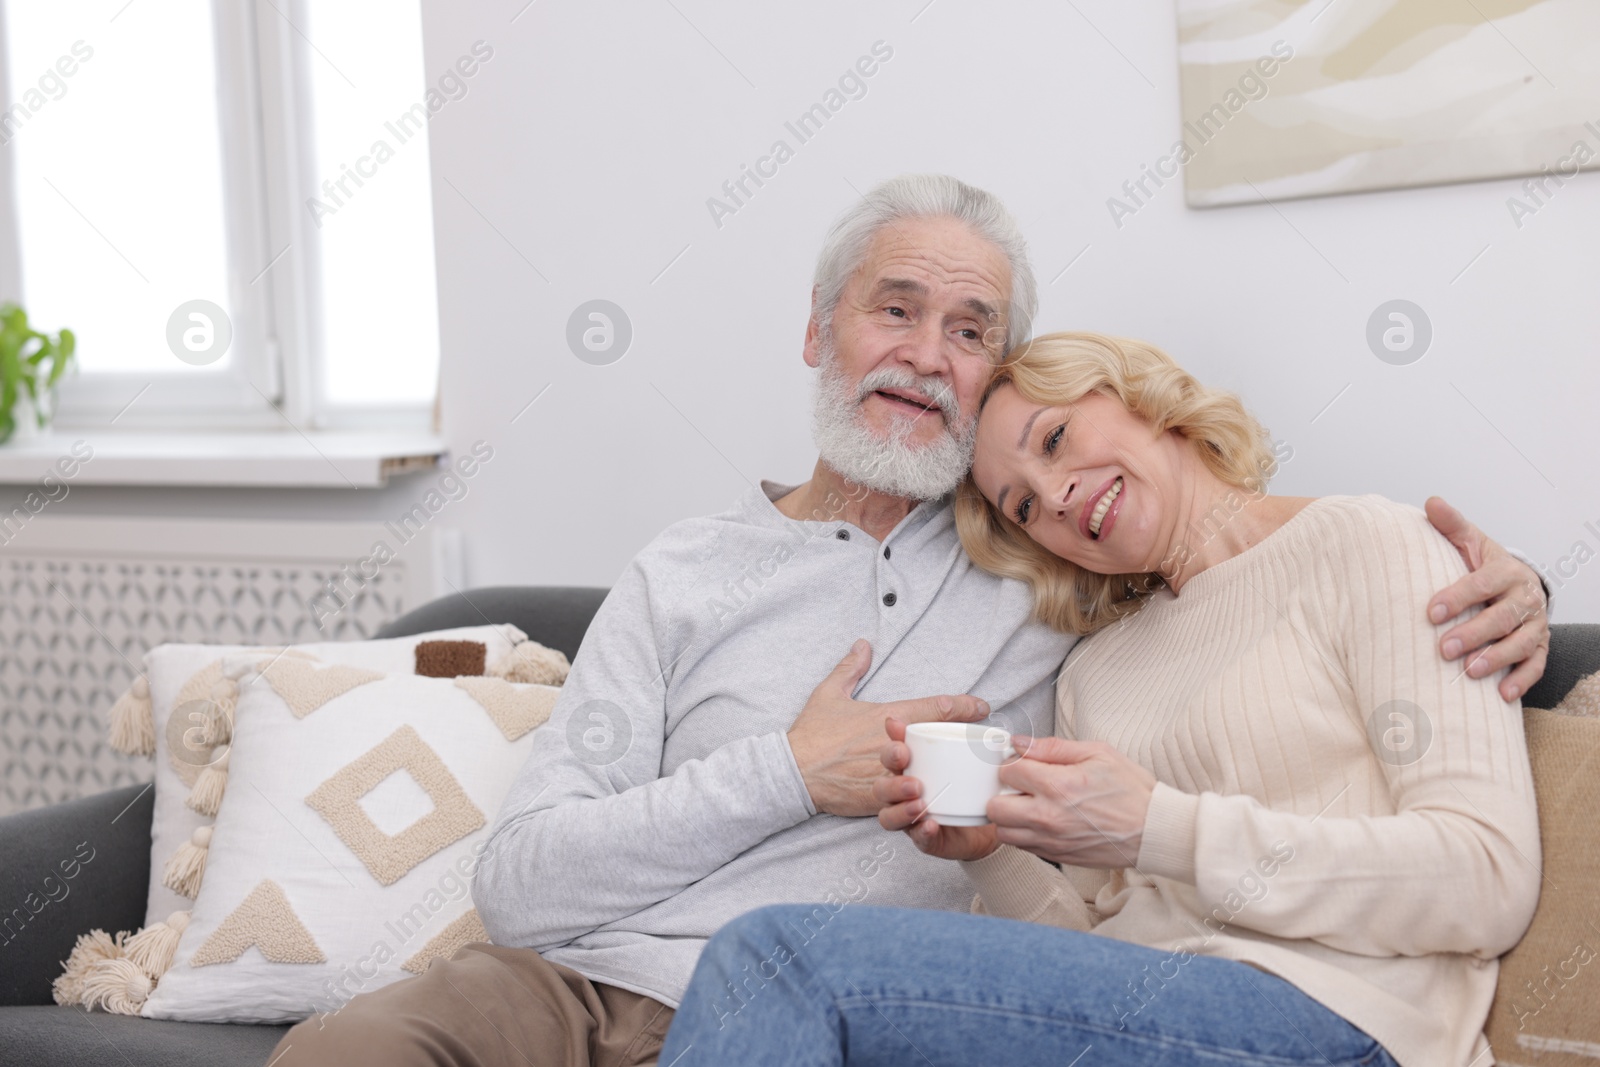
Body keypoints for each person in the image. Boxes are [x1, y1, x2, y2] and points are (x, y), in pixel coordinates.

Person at [271, 182, 1549, 1067]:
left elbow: (1473, 858)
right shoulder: (1058, 635)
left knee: (776, 965)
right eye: (895, 309)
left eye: (972, 332)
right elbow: (520, 881)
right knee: (346, 1046)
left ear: (1111, 388)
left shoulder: (1120, 578)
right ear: (821, 330)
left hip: (1268, 1009)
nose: (1056, 497)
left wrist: (1512, 583)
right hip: (601, 979)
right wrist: (881, 807)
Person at [658, 332, 1542, 1067]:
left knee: (773, 961)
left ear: (1136, 395)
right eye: (1023, 506)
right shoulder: (1096, 671)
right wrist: (988, 854)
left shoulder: (1371, 543)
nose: (1055, 496)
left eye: (1052, 441)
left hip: (1337, 1018)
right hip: (1158, 1017)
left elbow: (1488, 875)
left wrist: (1161, 824)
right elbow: (1089, 955)